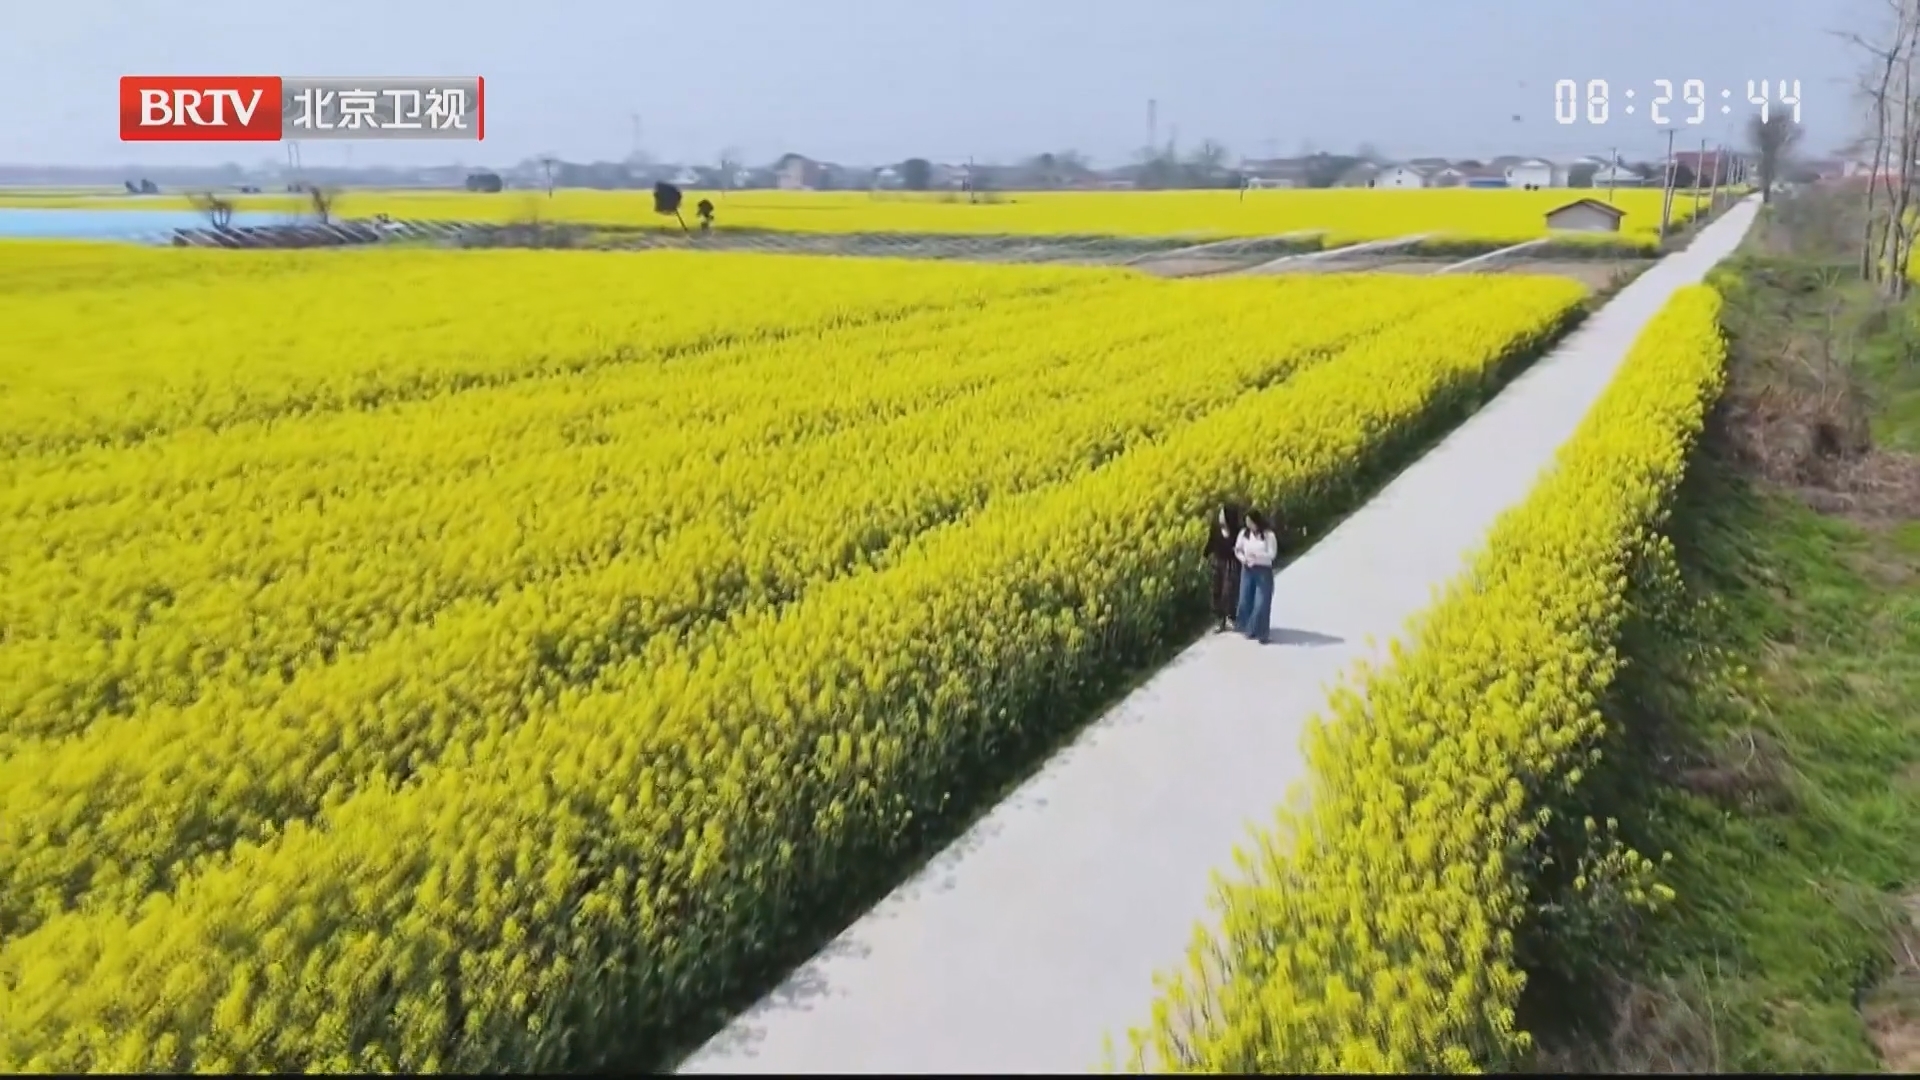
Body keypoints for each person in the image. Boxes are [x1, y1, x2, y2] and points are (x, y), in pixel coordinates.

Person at [1234, 510, 1279, 644]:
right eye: (1247, 522)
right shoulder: (1244, 534)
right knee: (1245, 600)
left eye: (1251, 522)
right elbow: (1238, 550)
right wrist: (1244, 559)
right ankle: (1250, 629)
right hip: (1247, 570)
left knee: (1261, 603)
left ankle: (1262, 633)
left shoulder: (1268, 536)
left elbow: (1272, 554)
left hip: (1263, 570)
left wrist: (1257, 556)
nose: (1248, 524)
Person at [1202, 503, 1244, 632]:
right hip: (1218, 562)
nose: (1220, 516)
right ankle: (1220, 619)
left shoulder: (1237, 531)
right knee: (1216, 591)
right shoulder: (1215, 528)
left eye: (1222, 514)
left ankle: (1231, 617)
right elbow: (1211, 541)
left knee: (1229, 591)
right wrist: (1205, 555)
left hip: (1231, 563)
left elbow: (1241, 546)